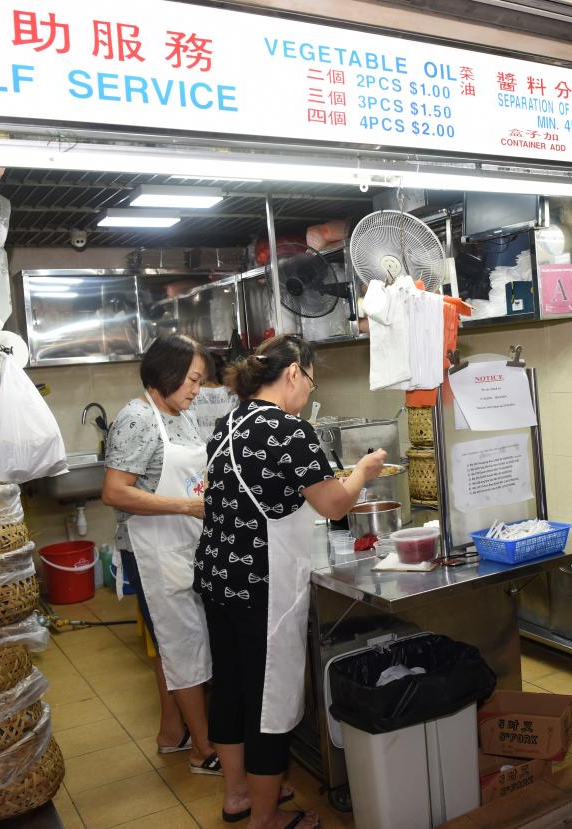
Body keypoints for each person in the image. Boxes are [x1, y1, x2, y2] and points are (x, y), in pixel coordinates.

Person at [197, 334, 386, 829]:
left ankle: (239, 794)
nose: (309, 389)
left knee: (233, 690)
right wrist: (363, 471)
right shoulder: (287, 429)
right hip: (262, 584)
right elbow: (333, 504)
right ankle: (264, 818)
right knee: (267, 701)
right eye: (311, 378)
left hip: (220, 577)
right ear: (295, 372)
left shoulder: (229, 422)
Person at [101, 334, 220, 775]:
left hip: (183, 544)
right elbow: (115, 492)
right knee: (184, 645)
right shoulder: (137, 418)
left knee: (172, 643)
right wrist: (188, 506)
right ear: (166, 374)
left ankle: (174, 732)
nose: (195, 389)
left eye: (200, 380)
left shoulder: (181, 416)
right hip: (153, 552)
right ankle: (204, 750)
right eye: (191, 380)